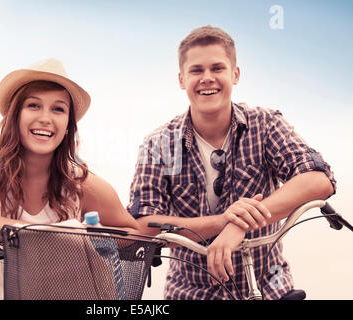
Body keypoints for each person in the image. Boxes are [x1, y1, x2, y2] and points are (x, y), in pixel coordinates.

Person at [127, 26, 336, 300]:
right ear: (181, 79)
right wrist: (222, 221)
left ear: (235, 74)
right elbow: (142, 223)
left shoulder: (265, 124)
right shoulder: (159, 143)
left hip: (269, 286)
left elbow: (318, 179)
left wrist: (239, 226)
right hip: (191, 292)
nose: (207, 78)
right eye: (196, 70)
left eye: (217, 68)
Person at [0, 58, 140, 299]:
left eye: (58, 109)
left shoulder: (80, 183)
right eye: (33, 105)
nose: (45, 118)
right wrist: (37, 234)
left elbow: (133, 236)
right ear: (15, 115)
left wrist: (86, 237)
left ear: (67, 126)